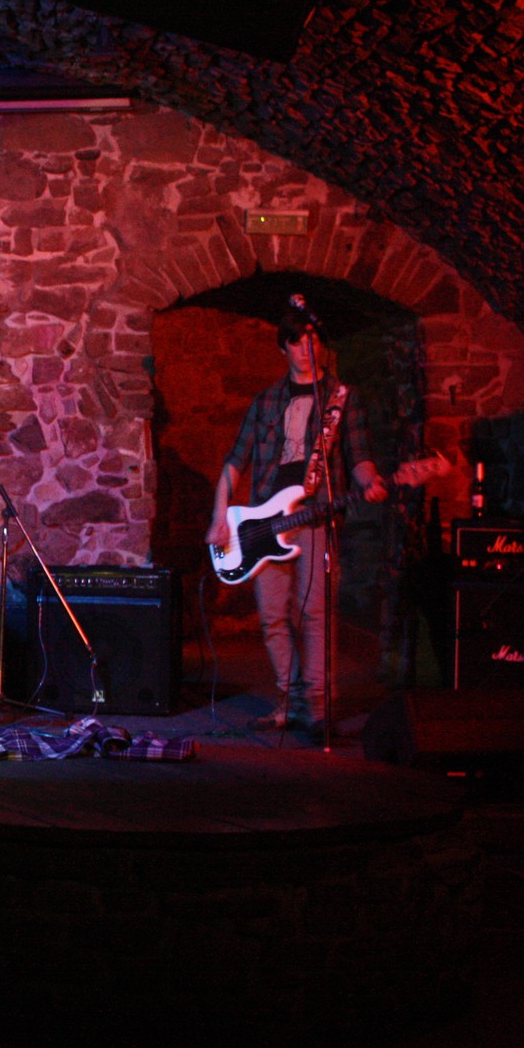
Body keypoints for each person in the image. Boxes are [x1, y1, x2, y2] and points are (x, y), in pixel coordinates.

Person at [204, 302, 388, 735]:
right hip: (264, 521)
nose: (307, 349)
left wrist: (371, 480)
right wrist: (220, 516)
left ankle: (318, 708)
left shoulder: (341, 398)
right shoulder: (267, 401)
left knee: (315, 614)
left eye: (313, 340)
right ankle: (288, 700)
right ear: (283, 348)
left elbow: (359, 456)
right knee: (272, 616)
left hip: (316, 515)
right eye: (297, 342)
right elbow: (235, 460)